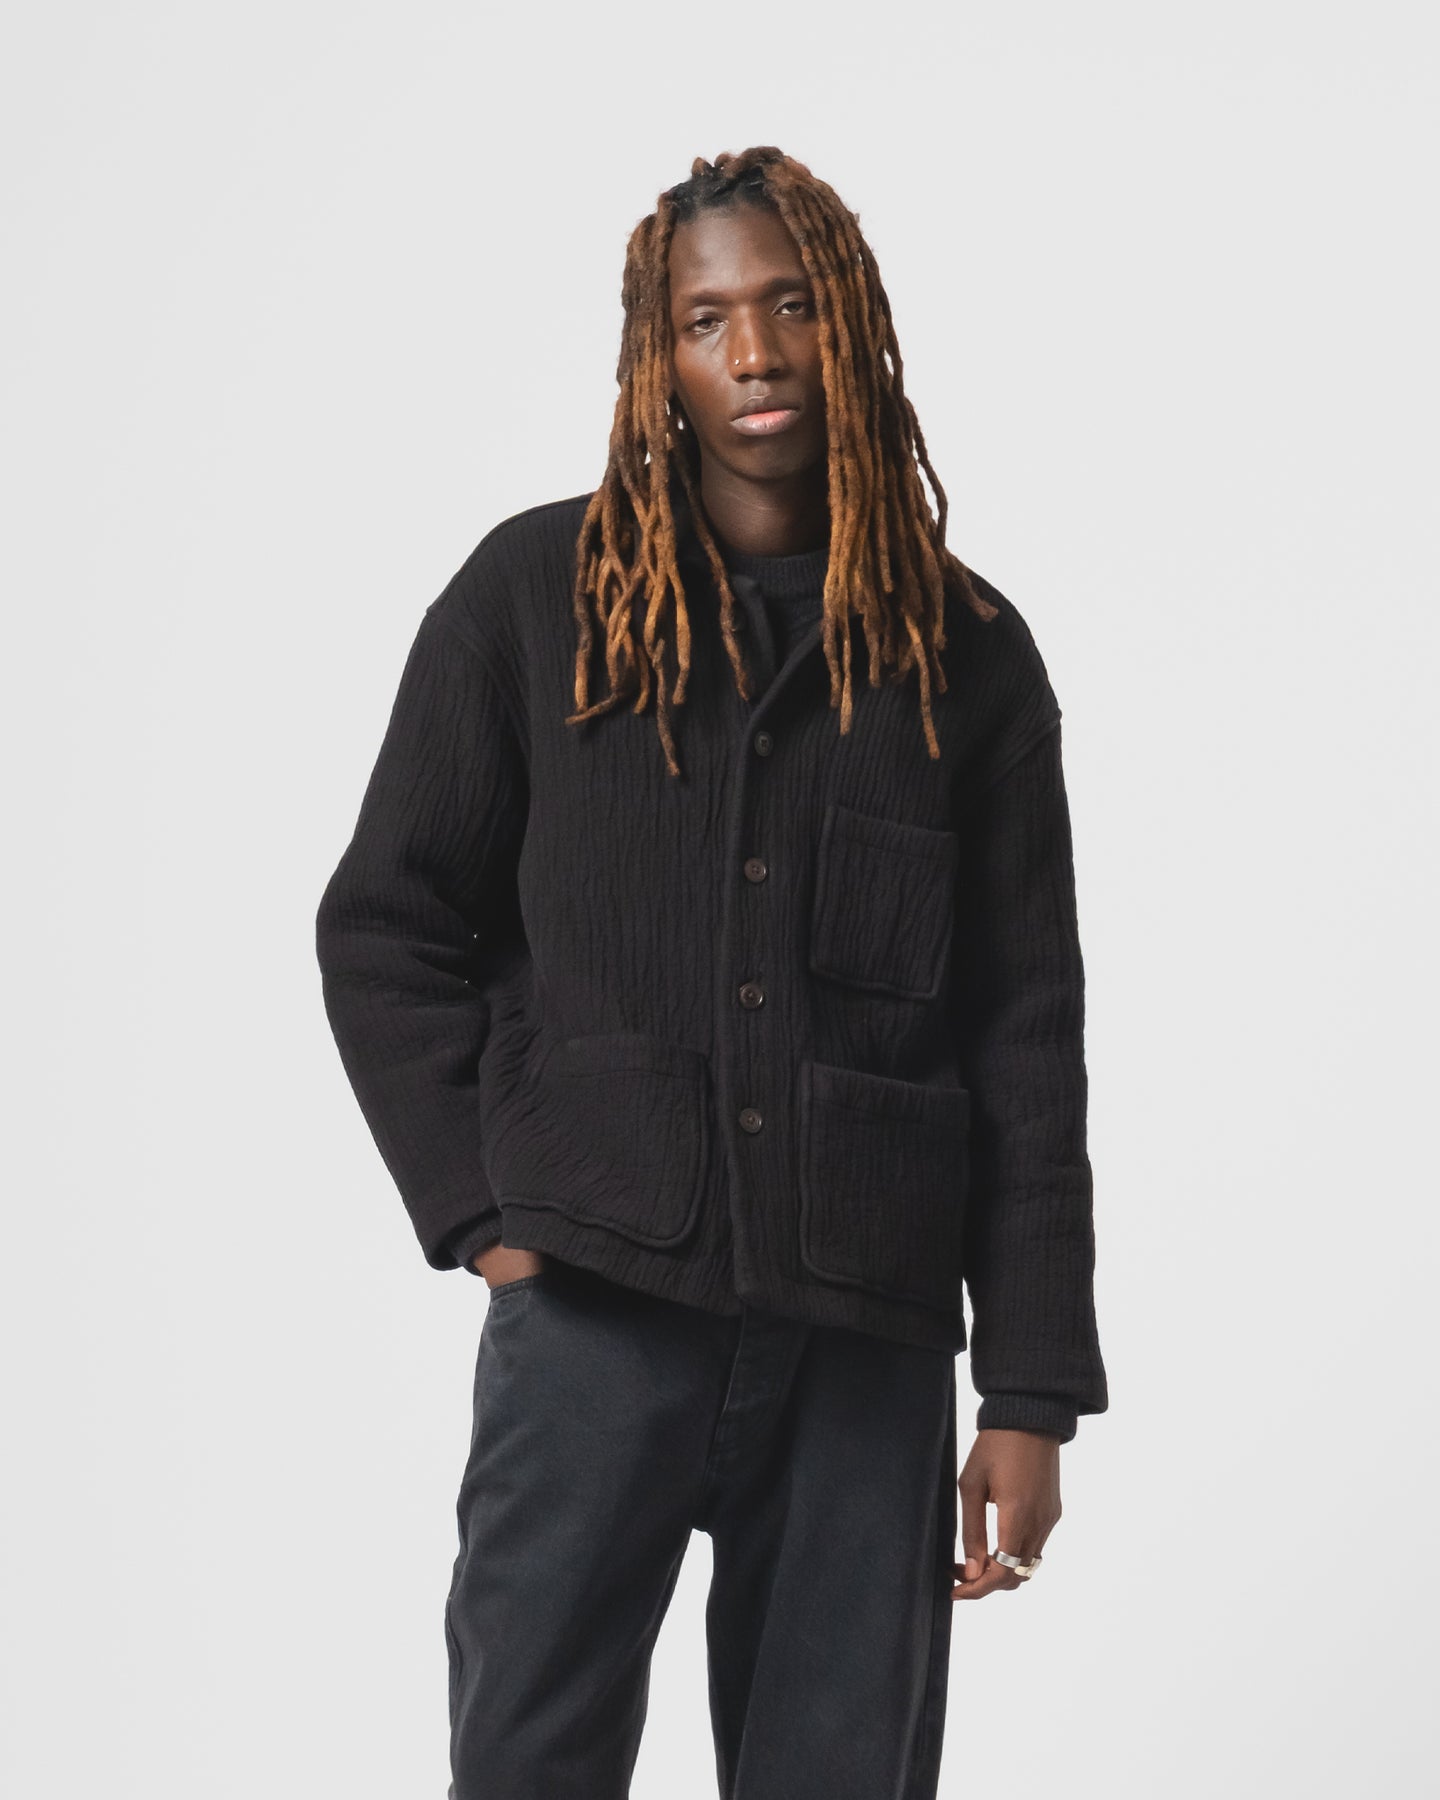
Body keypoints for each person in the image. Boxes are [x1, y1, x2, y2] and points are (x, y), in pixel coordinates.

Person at [315, 144, 1108, 1800]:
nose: (753, 352)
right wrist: (487, 1214)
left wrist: (1030, 1390)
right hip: (593, 1314)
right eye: (705, 319)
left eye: (791, 305)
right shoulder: (533, 601)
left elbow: (1025, 1039)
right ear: (656, 356)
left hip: (866, 1345)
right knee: (527, 1764)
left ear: (851, 324)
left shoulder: (967, 656)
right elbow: (387, 923)